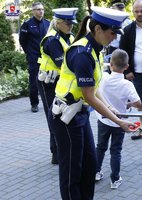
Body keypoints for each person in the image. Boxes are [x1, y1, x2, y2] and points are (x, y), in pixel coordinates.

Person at [48, 7, 135, 199]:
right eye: (112, 32)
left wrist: (112, 108)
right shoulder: (83, 54)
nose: (114, 37)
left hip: (78, 115)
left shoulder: (95, 49)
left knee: (89, 165)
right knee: (72, 172)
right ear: (98, 30)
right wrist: (118, 121)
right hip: (66, 118)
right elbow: (89, 96)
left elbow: (94, 89)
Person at [94, 49, 142, 189]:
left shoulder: (103, 78)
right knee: (116, 151)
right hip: (120, 123)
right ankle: (115, 179)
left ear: (110, 64)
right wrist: (128, 104)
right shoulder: (127, 85)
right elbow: (139, 104)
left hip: (103, 119)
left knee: (100, 147)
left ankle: (96, 172)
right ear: (127, 66)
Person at [37, 8, 78, 165]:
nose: (71, 26)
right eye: (68, 23)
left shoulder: (69, 37)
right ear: (58, 23)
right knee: (53, 114)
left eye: (72, 23)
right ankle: (56, 153)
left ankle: (61, 149)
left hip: (60, 82)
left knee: (60, 113)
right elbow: (63, 64)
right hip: (48, 82)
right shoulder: (52, 40)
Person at [119, 0, 142, 140]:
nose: (139, 13)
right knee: (140, 103)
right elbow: (123, 52)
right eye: (136, 11)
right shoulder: (128, 31)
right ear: (133, 12)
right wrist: (127, 71)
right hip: (136, 73)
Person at [19, 2, 50, 112]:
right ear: (33, 11)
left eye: (42, 9)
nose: (40, 11)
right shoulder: (27, 24)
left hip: (47, 58)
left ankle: (48, 102)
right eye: (38, 9)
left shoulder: (48, 24)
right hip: (34, 57)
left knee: (48, 80)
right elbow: (22, 40)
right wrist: (29, 52)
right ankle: (34, 104)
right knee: (34, 81)